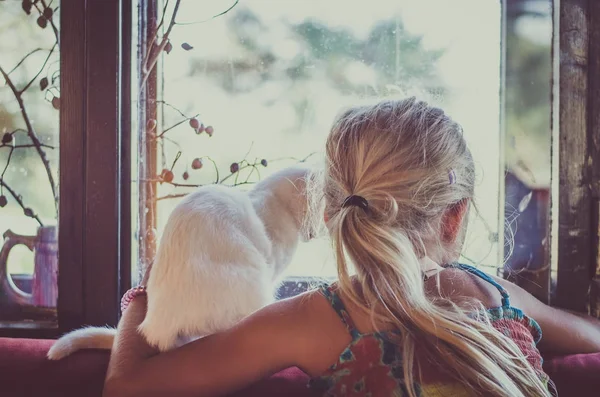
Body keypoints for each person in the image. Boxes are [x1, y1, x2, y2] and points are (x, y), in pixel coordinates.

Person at [102, 98, 600, 397]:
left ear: (329, 211)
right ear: (455, 216)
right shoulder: (498, 299)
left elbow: (125, 390)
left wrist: (148, 292)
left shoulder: (319, 318)